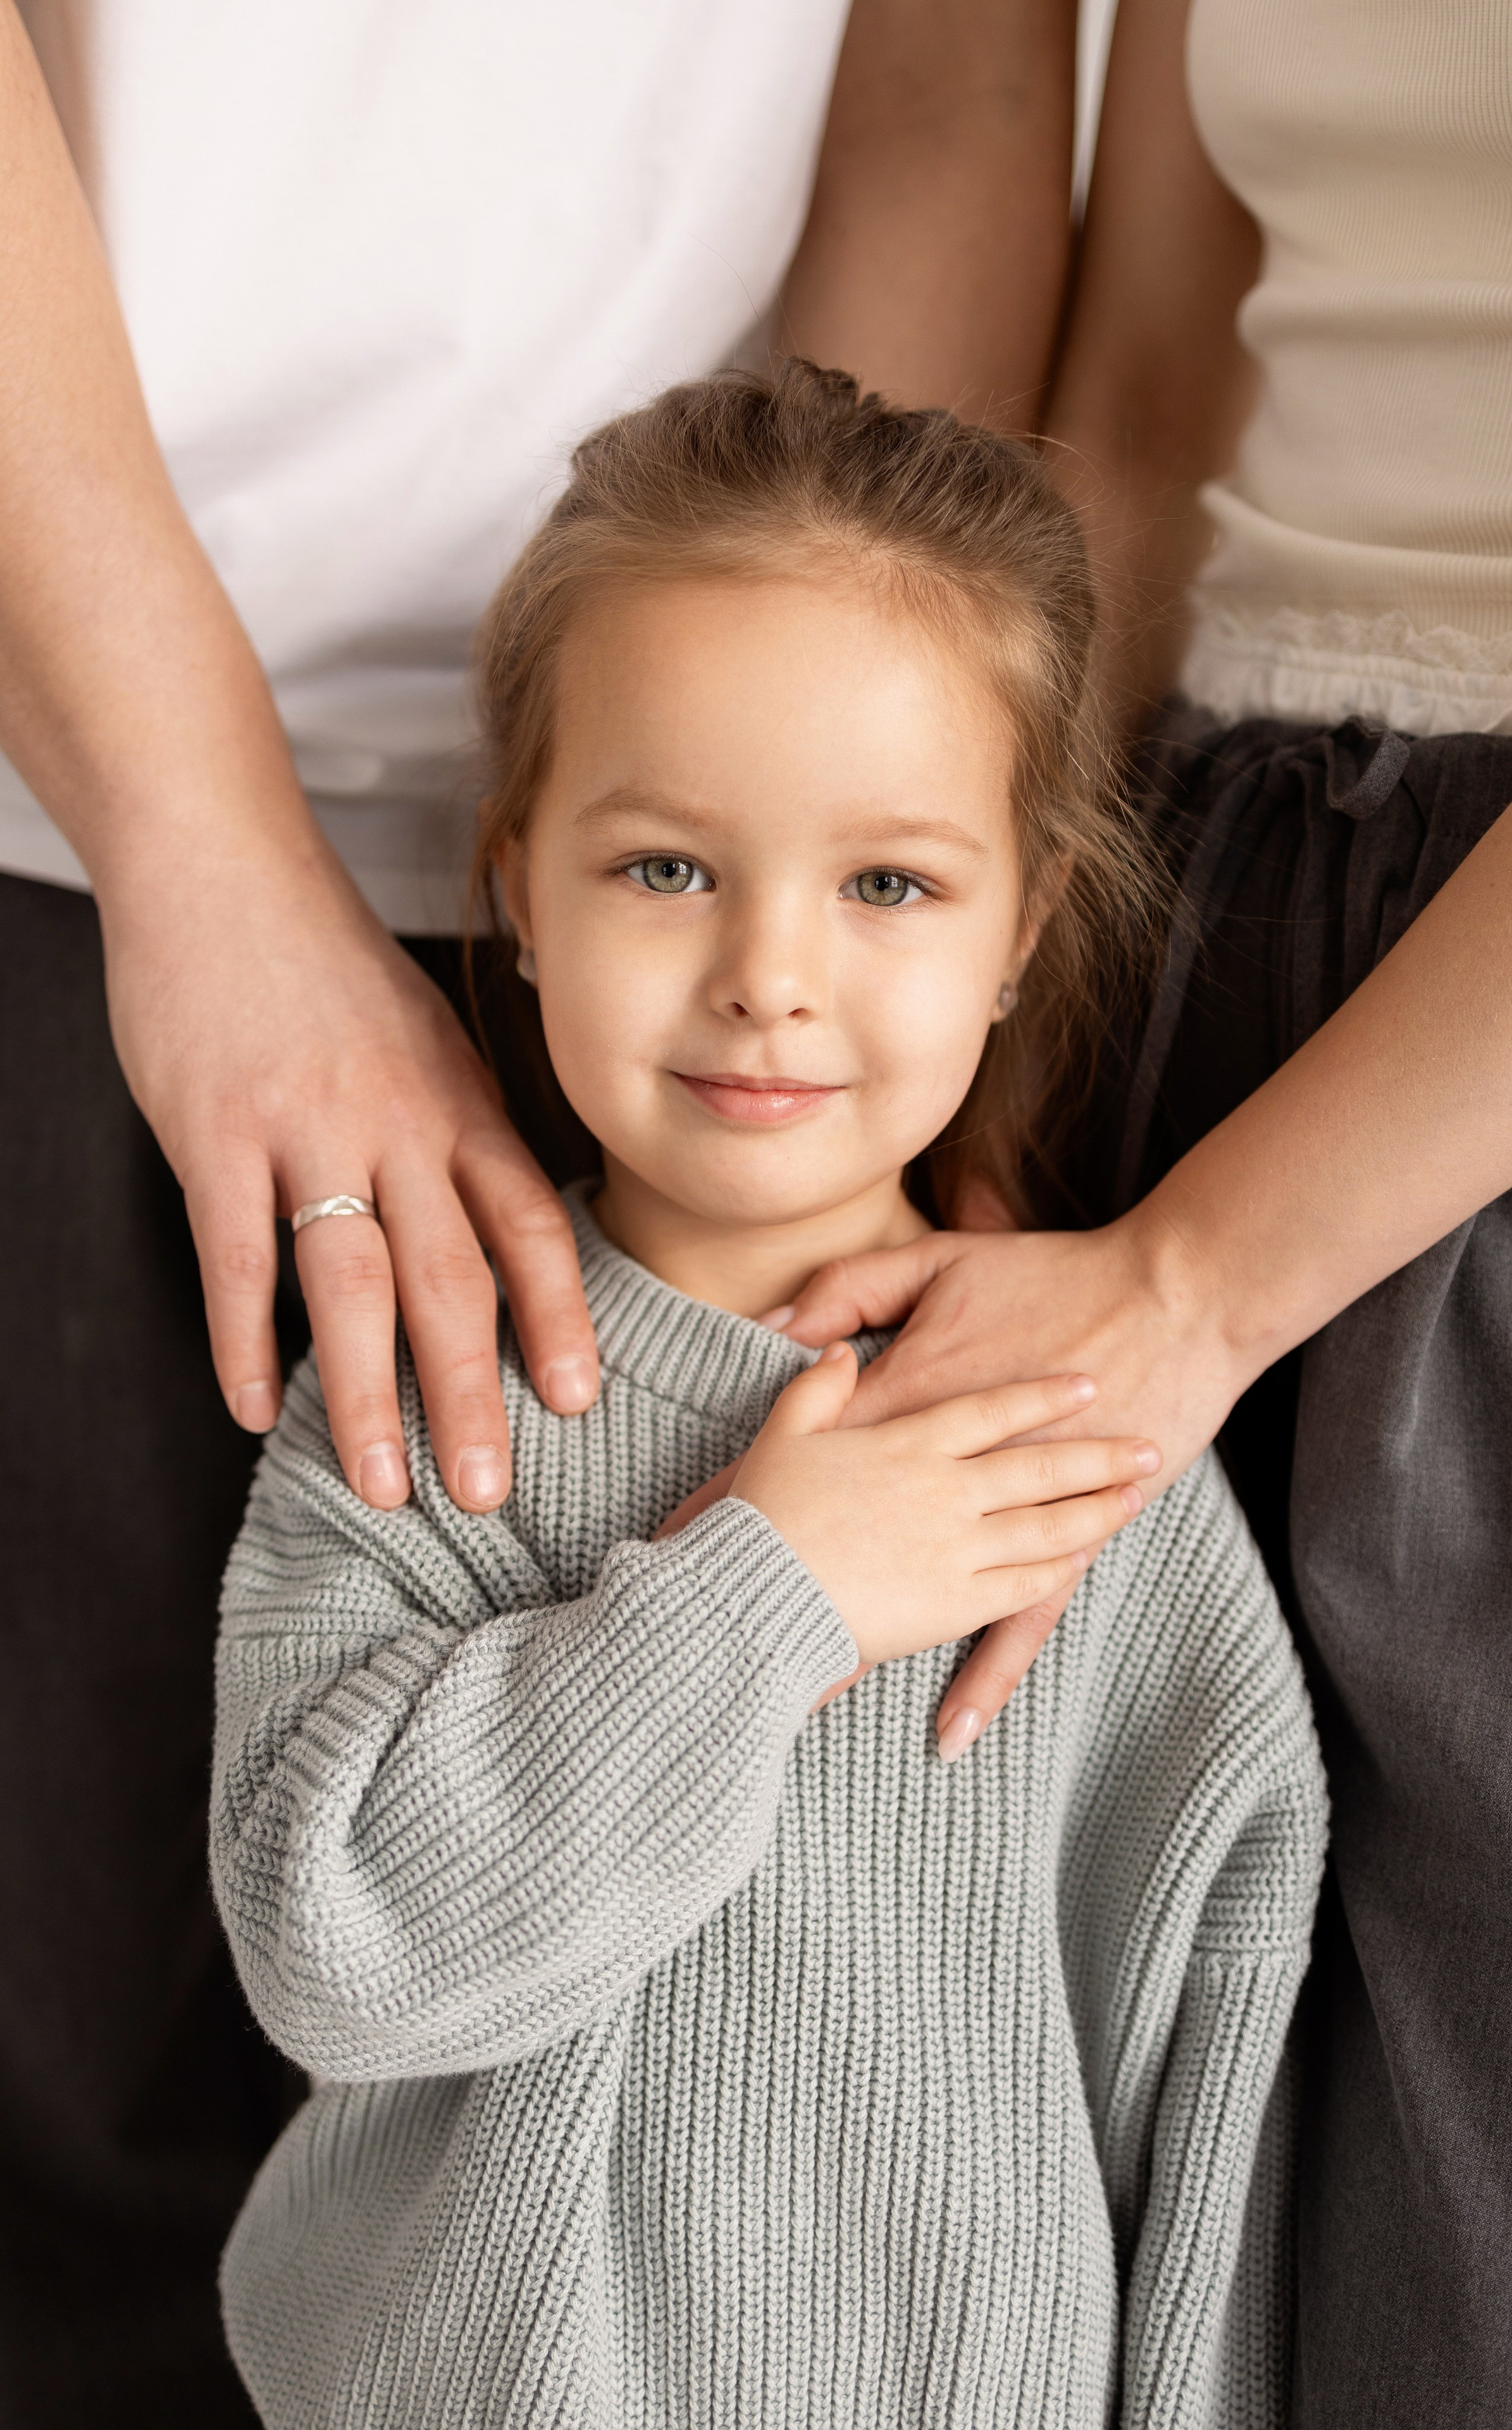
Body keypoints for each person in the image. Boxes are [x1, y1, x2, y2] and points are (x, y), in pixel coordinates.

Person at [0, 4, 1084, 2417]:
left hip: (665, 797)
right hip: (69, 788)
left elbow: (967, 91)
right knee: (72, 2066)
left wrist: (829, 743)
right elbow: (350, 1928)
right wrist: (198, 845)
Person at [211, 363, 1327, 2429]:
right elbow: (338, 1957)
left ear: (1020, 937)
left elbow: (1211, 2056)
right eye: (665, 870)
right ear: (518, 887)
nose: (770, 977)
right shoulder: (427, 1403)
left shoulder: (1085, 1445)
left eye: (888, 884)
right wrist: (769, 1594)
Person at [753, 3, 1512, 2422]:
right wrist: (983, 1081)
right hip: (1198, 899)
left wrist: (1190, 1282)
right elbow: (1134, 405)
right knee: (1080, 2161)